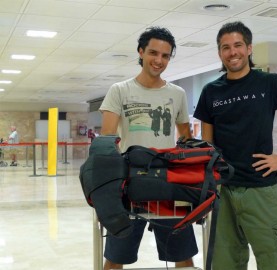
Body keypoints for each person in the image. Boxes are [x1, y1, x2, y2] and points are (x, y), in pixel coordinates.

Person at [193, 21, 277, 270]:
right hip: (224, 191)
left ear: (249, 48)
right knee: (225, 264)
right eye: (225, 47)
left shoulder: (268, 83)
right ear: (220, 53)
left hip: (261, 188)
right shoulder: (211, 91)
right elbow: (208, 145)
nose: (233, 52)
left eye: (238, 45)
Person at [99, 26, 198, 270]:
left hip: (167, 183)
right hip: (129, 184)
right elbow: (108, 139)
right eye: (153, 53)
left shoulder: (177, 93)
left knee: (183, 256)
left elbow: (184, 138)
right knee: (115, 257)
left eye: (165, 56)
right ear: (141, 52)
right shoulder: (120, 90)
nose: (159, 60)